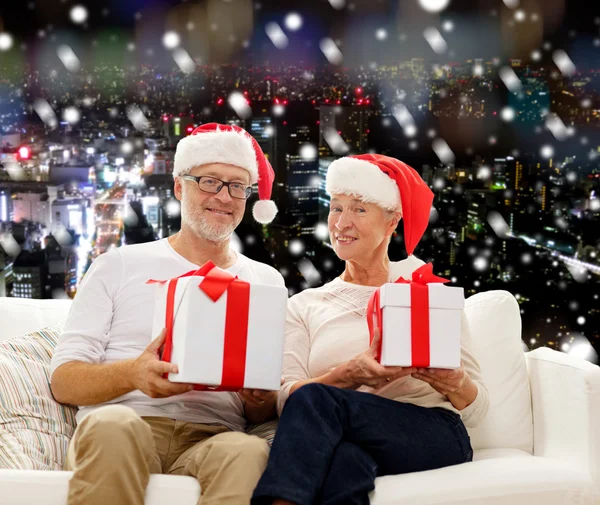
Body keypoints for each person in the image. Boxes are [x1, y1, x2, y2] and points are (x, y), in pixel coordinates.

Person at [50, 123, 283, 505]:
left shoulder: (266, 281)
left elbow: (260, 411)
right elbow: (64, 382)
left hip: (212, 436)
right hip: (126, 422)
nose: (224, 197)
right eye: (209, 181)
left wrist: (258, 396)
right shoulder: (118, 264)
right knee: (113, 426)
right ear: (179, 187)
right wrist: (133, 374)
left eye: (237, 186)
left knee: (248, 452)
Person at [252, 154, 490, 505]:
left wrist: (455, 382)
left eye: (359, 210)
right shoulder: (303, 306)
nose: (342, 223)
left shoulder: (425, 292)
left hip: (432, 433)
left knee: (317, 401)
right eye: (336, 208)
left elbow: (479, 408)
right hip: (347, 437)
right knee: (346, 462)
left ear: (392, 221)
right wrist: (350, 374)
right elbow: (287, 400)